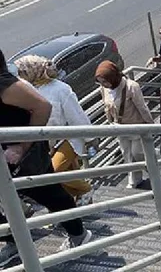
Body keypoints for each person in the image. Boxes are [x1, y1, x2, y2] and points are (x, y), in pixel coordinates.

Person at [0, 49, 92, 266]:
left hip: (24, 154)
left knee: (48, 193)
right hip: (8, 154)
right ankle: (13, 242)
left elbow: (43, 106)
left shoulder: (4, 83)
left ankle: (79, 235)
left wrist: (22, 146)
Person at [13, 55, 93, 206]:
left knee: (55, 172)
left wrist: (90, 138)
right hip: (47, 141)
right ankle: (73, 207)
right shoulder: (28, 90)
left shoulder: (60, 89)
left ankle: (86, 190)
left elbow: (76, 115)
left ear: (32, 71)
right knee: (65, 175)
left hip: (68, 137)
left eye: (22, 73)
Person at [96, 60, 155, 189]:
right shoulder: (104, 89)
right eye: (100, 82)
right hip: (119, 128)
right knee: (127, 154)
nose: (104, 85)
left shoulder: (131, 86)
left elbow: (142, 108)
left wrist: (151, 125)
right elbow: (106, 106)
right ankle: (134, 180)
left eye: (105, 81)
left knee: (137, 153)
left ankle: (153, 169)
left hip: (136, 127)